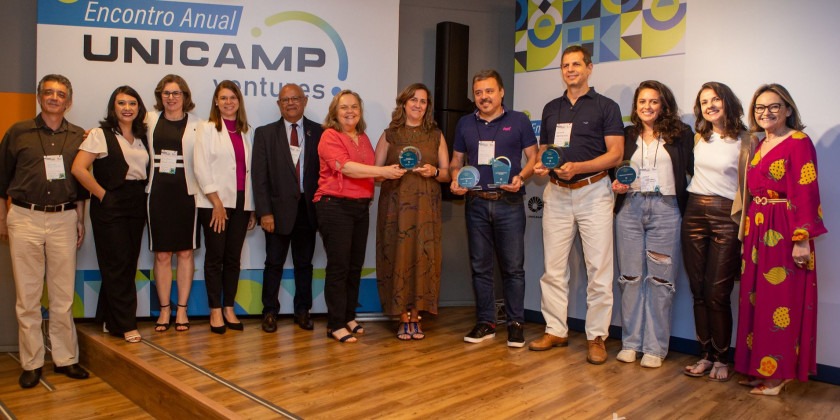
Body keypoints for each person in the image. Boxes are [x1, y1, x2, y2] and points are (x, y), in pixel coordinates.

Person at [528, 45, 623, 365]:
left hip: (593, 192)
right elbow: (545, 151)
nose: (570, 70)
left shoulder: (606, 106)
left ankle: (597, 336)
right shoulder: (551, 107)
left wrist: (579, 168)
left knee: (598, 270)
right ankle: (556, 329)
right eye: (565, 65)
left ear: (589, 68)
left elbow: (615, 155)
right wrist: (542, 165)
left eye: (576, 65)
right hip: (555, 193)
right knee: (553, 269)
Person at [734, 84, 825, 395]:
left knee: (780, 302)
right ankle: (761, 368)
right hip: (758, 230)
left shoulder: (799, 142)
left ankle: (778, 374)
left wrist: (802, 240)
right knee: (756, 299)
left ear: (788, 109)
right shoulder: (759, 143)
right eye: (760, 107)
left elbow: (806, 191)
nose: (766, 112)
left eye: (774, 106)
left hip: (785, 230)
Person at [0, 74, 90, 388]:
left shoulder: (79, 136)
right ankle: (32, 363)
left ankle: (65, 359)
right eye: (49, 92)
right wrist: (3, 217)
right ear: (40, 97)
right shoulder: (18, 132)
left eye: (61, 93)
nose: (54, 98)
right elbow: (2, 179)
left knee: (63, 295)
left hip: (65, 219)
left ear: (69, 100)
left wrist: (81, 219)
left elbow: (81, 186)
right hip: (24, 216)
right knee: (27, 297)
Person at [449, 70, 538, 348]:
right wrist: (455, 178)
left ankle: (515, 323)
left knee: (513, 269)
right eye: (478, 92)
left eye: (489, 91)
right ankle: (486, 322)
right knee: (480, 267)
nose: (484, 97)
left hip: (509, 203)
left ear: (501, 93)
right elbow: (456, 160)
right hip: (476, 203)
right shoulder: (464, 123)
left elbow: (534, 157)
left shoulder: (519, 120)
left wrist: (521, 177)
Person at [610, 81, 693, 368]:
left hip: (666, 210)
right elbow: (616, 172)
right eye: (642, 101)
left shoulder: (681, 135)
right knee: (630, 279)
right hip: (630, 209)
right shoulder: (628, 134)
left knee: (660, 281)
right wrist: (617, 185)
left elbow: (693, 172)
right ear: (635, 107)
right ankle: (631, 343)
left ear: (664, 104)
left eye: (653, 101)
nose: (647, 107)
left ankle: (655, 347)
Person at [315, 90, 405, 343]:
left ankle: (348, 315)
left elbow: (371, 174)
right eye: (344, 107)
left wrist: (402, 170)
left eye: (354, 107)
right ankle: (334, 324)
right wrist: (384, 171)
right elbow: (348, 168)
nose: (350, 111)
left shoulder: (363, 137)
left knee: (354, 266)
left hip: (359, 208)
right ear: (335, 112)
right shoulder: (329, 136)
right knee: (339, 266)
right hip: (335, 207)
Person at [681, 82, 752, 381]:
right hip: (694, 213)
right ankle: (706, 356)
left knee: (717, 293)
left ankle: (723, 358)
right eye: (704, 101)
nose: (710, 105)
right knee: (698, 291)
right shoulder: (700, 137)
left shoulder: (747, 140)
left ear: (727, 101)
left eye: (715, 99)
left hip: (727, 216)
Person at [71, 85, 149, 344]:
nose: (127, 108)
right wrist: (102, 194)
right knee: (116, 263)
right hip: (111, 203)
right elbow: (79, 169)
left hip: (137, 201)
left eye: (132, 103)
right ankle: (126, 324)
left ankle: (108, 317)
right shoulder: (99, 134)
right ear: (113, 107)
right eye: (122, 103)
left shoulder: (142, 135)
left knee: (127, 263)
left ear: (139, 108)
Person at [375, 83, 451, 340]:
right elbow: (375, 174)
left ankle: (416, 314)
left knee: (423, 255)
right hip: (395, 208)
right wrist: (389, 171)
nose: (418, 105)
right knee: (398, 256)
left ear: (427, 106)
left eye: (423, 101)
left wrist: (435, 172)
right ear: (404, 103)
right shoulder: (390, 134)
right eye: (413, 100)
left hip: (425, 208)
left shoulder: (436, 135)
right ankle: (402, 316)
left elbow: (448, 174)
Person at [252, 83, 323, 333]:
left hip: (307, 210)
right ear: (278, 104)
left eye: (295, 98)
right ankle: (269, 312)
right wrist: (264, 213)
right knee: (274, 263)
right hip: (276, 212)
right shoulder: (264, 134)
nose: (290, 103)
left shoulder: (320, 132)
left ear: (304, 101)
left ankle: (303, 311)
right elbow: (259, 178)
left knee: (304, 265)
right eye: (285, 100)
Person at [193, 80, 256, 334]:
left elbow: (248, 171)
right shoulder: (206, 129)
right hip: (214, 204)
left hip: (241, 203)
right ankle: (215, 310)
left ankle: (229, 307)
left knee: (233, 258)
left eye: (233, 97)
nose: (228, 102)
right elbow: (200, 167)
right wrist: (216, 203)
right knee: (215, 258)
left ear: (239, 102)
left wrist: (251, 207)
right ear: (216, 102)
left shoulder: (246, 131)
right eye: (223, 98)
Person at [146, 74, 201, 332]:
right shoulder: (148, 120)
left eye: (176, 93)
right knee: (162, 254)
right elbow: (120, 128)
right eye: (166, 93)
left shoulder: (198, 125)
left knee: (185, 252)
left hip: (187, 194)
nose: (171, 98)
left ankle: (182, 310)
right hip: (157, 193)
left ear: (185, 96)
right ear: (160, 96)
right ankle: (164, 309)